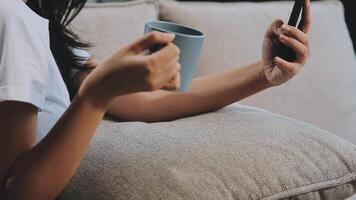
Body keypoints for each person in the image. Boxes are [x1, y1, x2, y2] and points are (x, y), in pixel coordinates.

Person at [0, 0, 311, 198]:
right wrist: (96, 96)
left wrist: (263, 73)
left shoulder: (34, 20)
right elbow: (20, 192)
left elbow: (146, 103)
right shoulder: (11, 16)